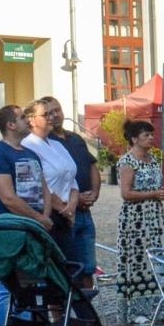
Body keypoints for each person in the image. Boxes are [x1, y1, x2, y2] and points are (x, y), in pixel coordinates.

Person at [0, 104, 52, 326]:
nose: (27, 120)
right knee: (8, 284)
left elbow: (43, 186)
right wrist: (37, 219)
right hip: (11, 228)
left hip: (35, 227)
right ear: (11, 124)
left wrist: (45, 215)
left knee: (33, 283)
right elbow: (8, 198)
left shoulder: (30, 153)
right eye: (23, 117)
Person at [41, 98, 106, 313]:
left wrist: (94, 193)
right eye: (48, 113)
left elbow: (91, 165)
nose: (54, 115)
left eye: (57, 110)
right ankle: (61, 322)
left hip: (85, 212)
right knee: (61, 269)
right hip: (63, 213)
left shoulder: (75, 138)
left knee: (87, 267)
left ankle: (88, 320)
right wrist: (72, 201)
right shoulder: (45, 143)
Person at [115, 118, 164, 326]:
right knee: (138, 262)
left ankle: (157, 307)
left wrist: (160, 193)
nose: (150, 138)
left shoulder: (153, 159)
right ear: (134, 138)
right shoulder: (128, 161)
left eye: (151, 134)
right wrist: (154, 193)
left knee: (155, 260)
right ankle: (136, 310)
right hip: (136, 219)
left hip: (154, 216)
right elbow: (126, 193)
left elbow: (158, 183)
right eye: (145, 135)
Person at [21, 99, 79, 253]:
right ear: (32, 120)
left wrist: (72, 205)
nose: (51, 117)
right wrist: (63, 210)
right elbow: (38, 185)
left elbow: (71, 177)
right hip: (49, 213)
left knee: (70, 266)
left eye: (52, 113)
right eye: (45, 114)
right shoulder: (27, 146)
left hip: (68, 213)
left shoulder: (57, 145)